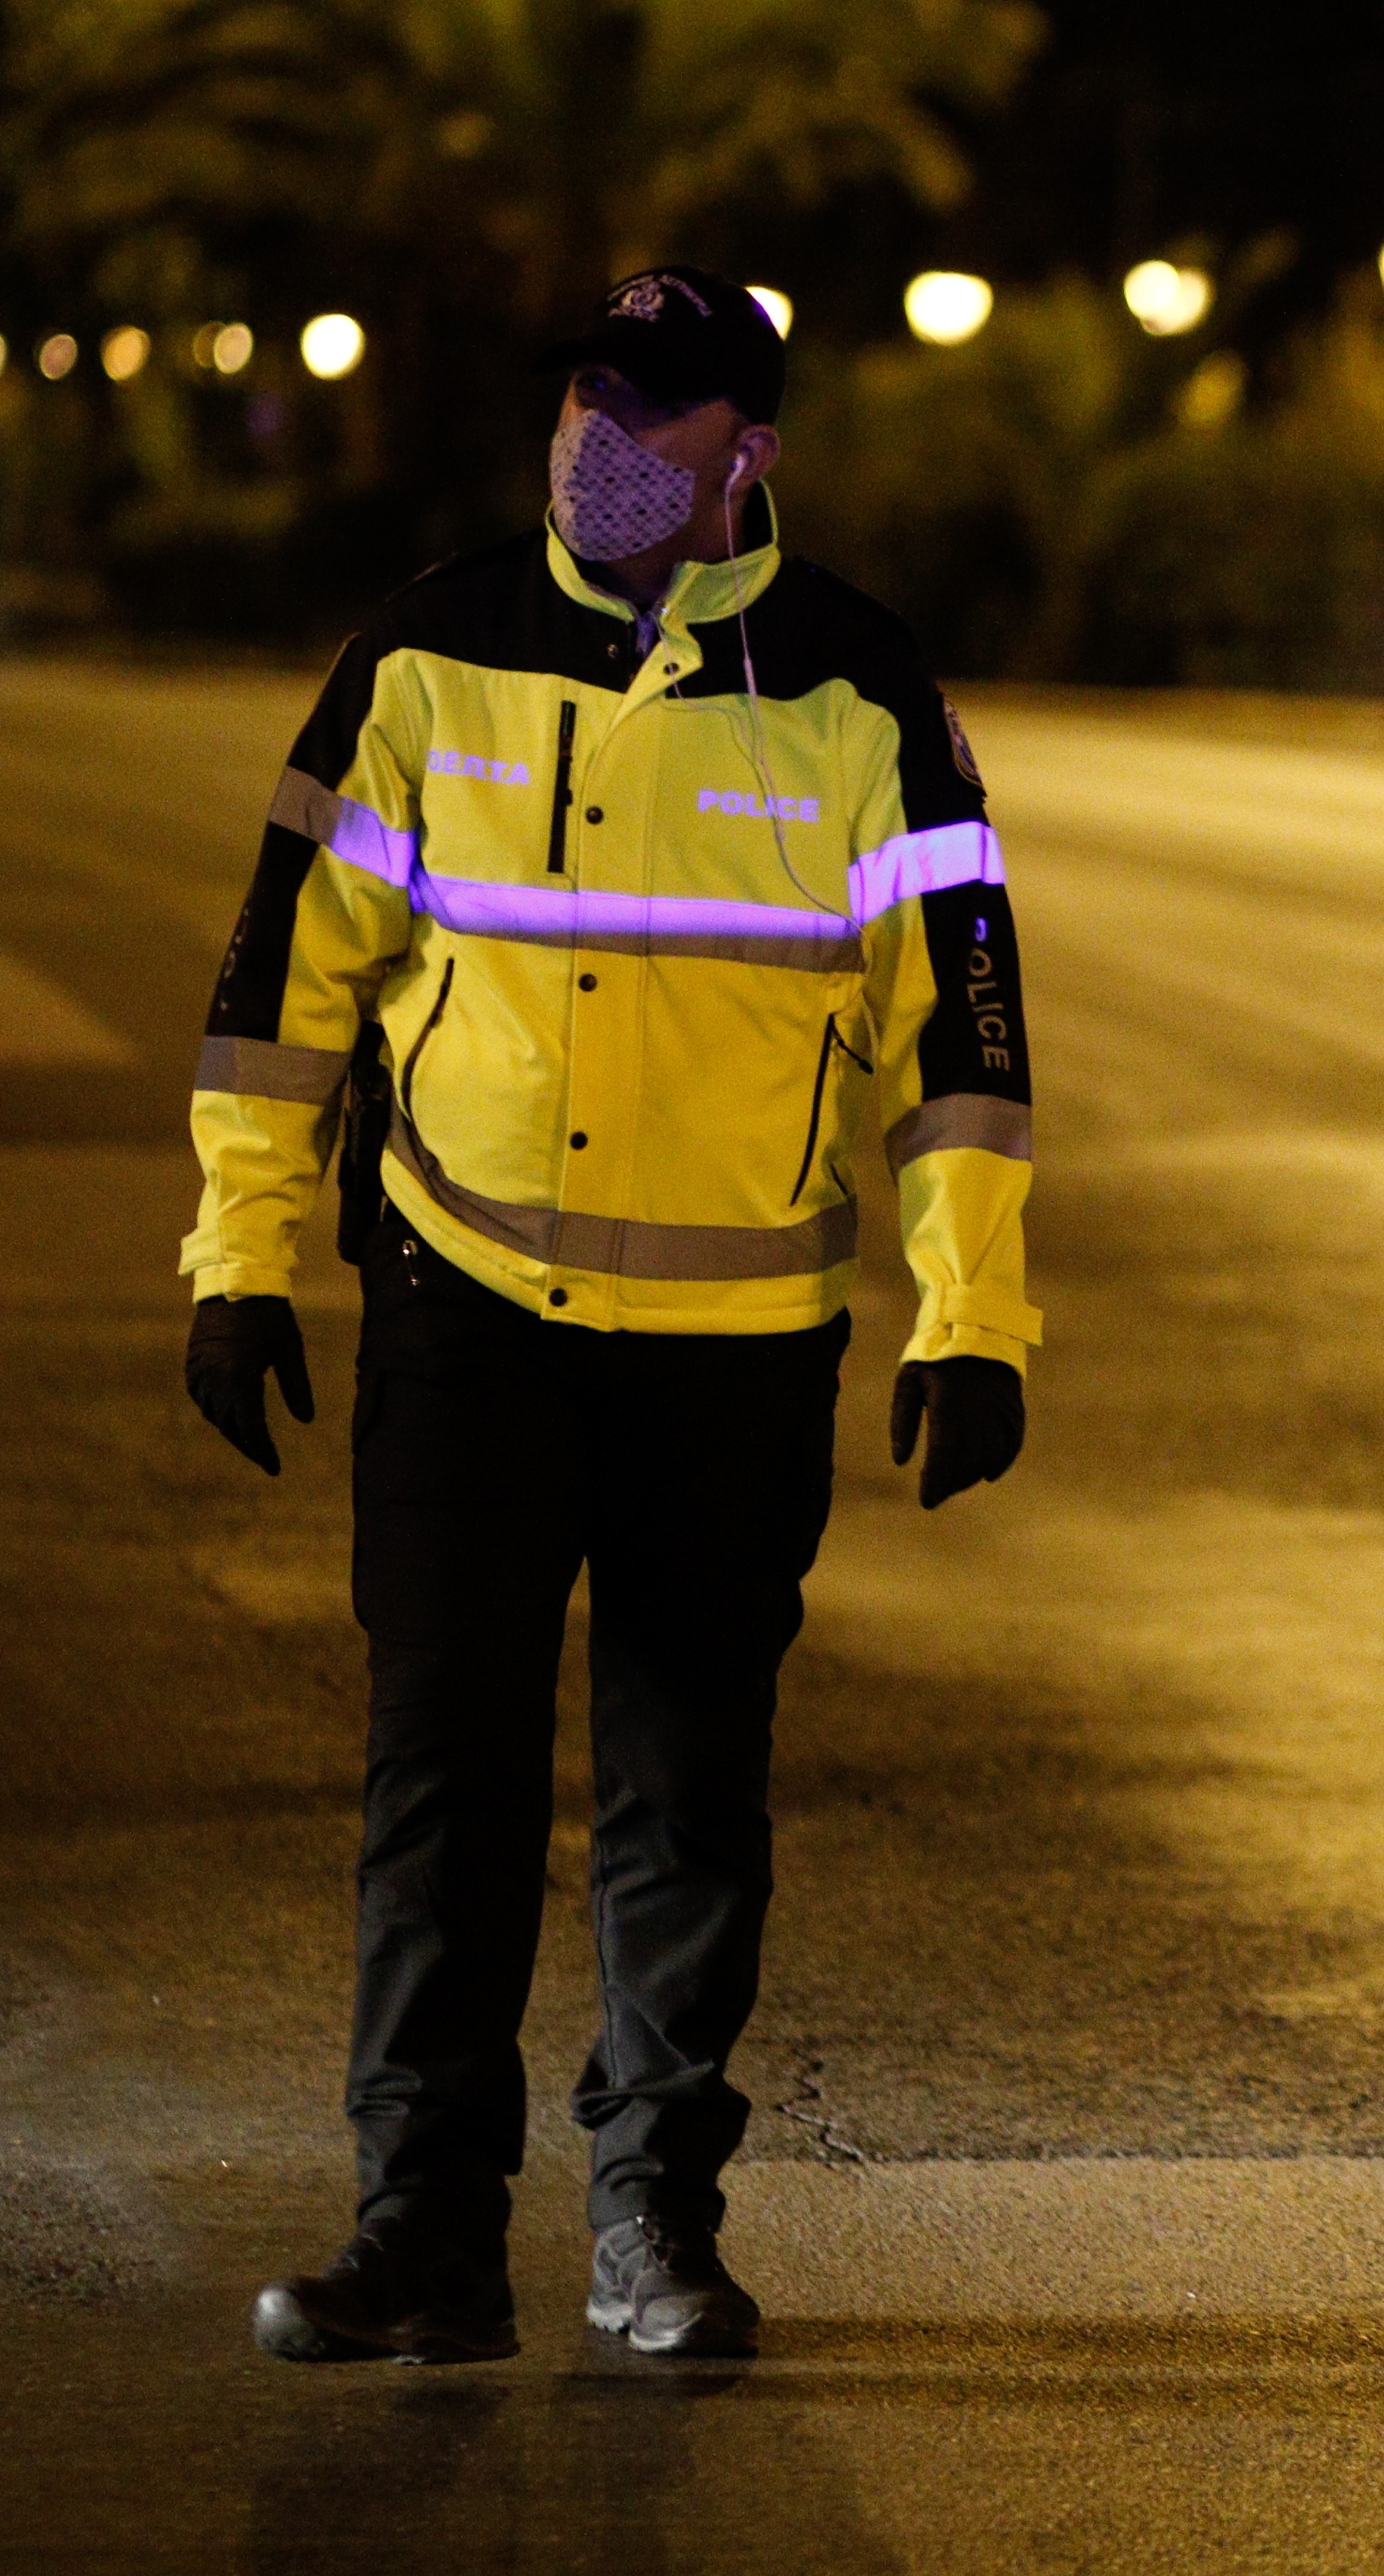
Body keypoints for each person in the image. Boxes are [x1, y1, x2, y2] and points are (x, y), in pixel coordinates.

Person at [177, 266, 1036, 2364]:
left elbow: (963, 1038)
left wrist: (973, 1315)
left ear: (753, 449)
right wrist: (239, 1255)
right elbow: (284, 982)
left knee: (689, 1797)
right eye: (583, 393)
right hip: (466, 1313)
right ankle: (426, 2229)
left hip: (737, 1360)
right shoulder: (427, 657)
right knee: (442, 1785)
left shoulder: (859, 692)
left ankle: (655, 2217)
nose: (600, 437)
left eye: (651, 409)